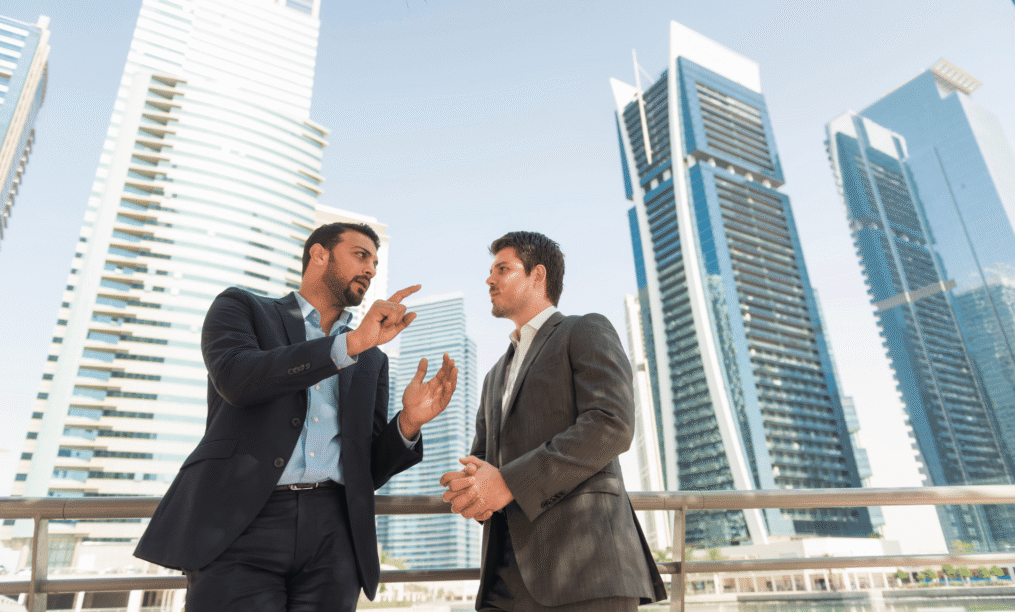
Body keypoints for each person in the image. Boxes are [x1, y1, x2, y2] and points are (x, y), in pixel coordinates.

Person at [135, 222, 458, 612]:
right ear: (319, 255)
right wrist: (349, 344)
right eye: (360, 255)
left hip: (334, 534)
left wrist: (409, 422)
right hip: (240, 522)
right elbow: (237, 380)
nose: (371, 269)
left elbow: (366, 469)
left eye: (375, 262)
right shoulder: (243, 308)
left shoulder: (372, 358)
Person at [440, 231, 666, 611]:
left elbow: (611, 424)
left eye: (502, 269)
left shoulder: (584, 329)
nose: (489, 279)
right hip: (504, 579)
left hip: (585, 571)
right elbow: (485, 463)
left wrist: (507, 483)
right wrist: (471, 487)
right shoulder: (494, 375)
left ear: (538, 275)